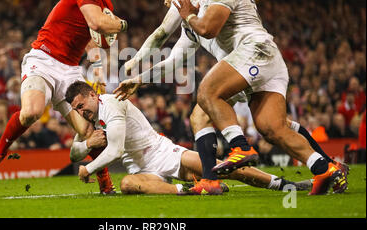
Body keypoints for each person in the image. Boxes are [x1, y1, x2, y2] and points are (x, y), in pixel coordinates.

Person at [114, 0, 345, 195]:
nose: (165, 3)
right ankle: (329, 167)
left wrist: (133, 60)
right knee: (276, 127)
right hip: (252, 64)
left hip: (245, 62)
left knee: (201, 113)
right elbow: (173, 63)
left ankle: (219, 171)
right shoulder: (192, 24)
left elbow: (161, 34)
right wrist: (139, 80)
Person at [172, 0, 346, 194]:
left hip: (256, 50)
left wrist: (189, 14)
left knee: (207, 92)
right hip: (268, 59)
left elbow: (208, 29)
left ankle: (239, 146)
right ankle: (324, 169)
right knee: (272, 128)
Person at [0, 0, 129, 194]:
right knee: (32, 113)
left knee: (89, 128)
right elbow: (98, 24)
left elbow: (92, 41)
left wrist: (98, 70)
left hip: (69, 70)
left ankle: (104, 182)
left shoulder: (106, 6)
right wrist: (122, 24)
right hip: (44, 58)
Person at [66, 80, 311, 195]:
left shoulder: (110, 104)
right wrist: (87, 143)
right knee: (128, 184)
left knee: (222, 169)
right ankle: (191, 190)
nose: (80, 111)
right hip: (141, 168)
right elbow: (74, 152)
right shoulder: (91, 117)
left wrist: (89, 168)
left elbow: (115, 151)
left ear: (91, 94)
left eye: (81, 105)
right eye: (76, 109)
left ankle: (284, 185)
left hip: (162, 152)